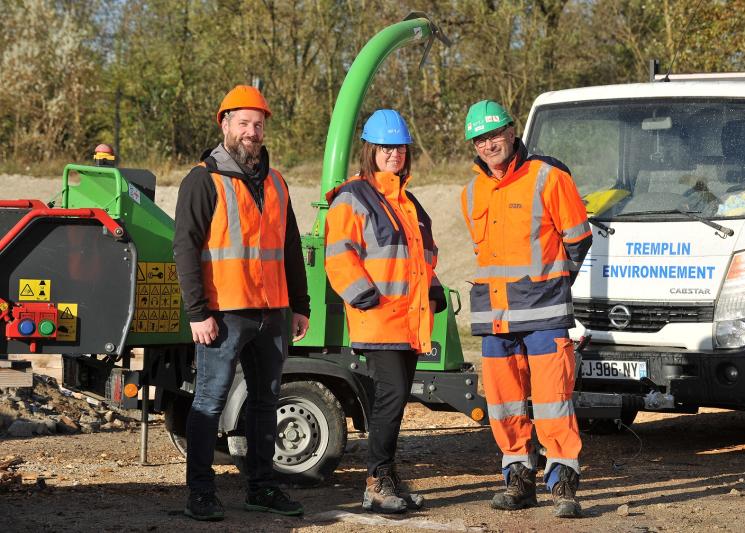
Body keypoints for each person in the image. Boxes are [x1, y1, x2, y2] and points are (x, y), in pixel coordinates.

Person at [173, 85, 310, 521]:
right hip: (224, 314)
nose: (253, 132)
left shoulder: (277, 182)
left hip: (273, 312)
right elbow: (185, 249)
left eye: (259, 124)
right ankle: (200, 493)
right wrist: (197, 313)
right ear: (225, 124)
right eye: (245, 123)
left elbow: (290, 247)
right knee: (209, 402)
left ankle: (261, 488)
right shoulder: (202, 179)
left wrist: (300, 303)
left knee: (266, 402)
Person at [460, 100, 592, 518]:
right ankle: (518, 477)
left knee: (554, 401)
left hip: (544, 313)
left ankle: (564, 483)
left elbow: (578, 240)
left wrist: (552, 286)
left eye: (495, 134)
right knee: (504, 404)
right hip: (495, 317)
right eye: (480, 139)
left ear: (513, 132)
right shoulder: (471, 192)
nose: (489, 144)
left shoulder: (548, 177)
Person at [324, 109, 444, 514]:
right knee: (390, 401)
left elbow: (422, 258)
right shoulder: (353, 197)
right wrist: (363, 296)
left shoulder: (408, 203)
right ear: (370, 150)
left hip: (408, 320)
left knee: (393, 402)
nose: (394, 154)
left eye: (400, 148)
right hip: (379, 319)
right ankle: (376, 480)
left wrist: (434, 288)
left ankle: (386, 477)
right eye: (386, 147)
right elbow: (339, 255)